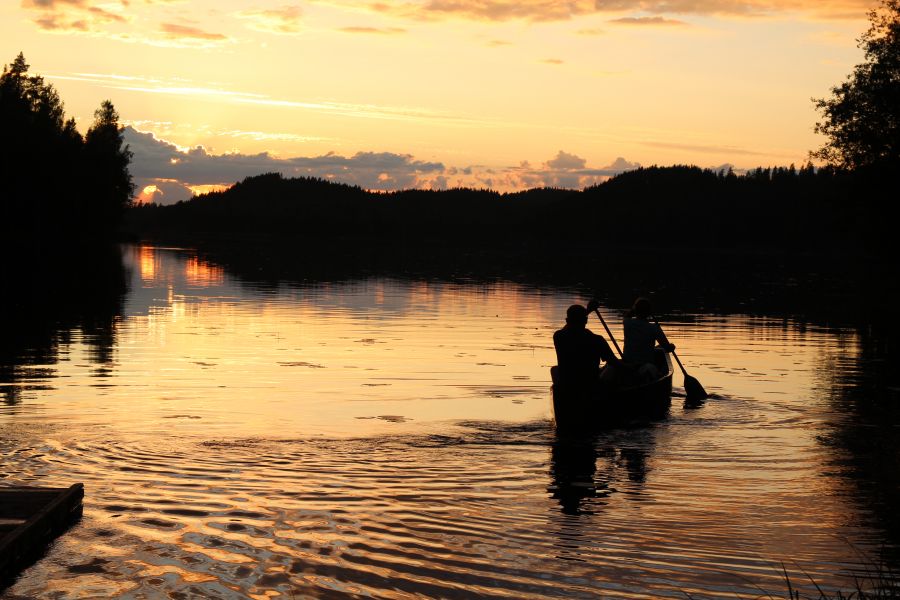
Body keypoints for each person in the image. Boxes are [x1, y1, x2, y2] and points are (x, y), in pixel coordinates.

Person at [553, 302, 618, 387]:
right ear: (586, 320)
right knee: (612, 368)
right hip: (590, 384)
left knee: (554, 369)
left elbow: (568, 327)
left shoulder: (559, 336)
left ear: (567, 320)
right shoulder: (597, 340)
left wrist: (588, 310)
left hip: (567, 382)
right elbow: (614, 363)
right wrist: (632, 368)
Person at [622, 297, 675, 379]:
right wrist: (672, 347)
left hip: (627, 363)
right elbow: (666, 348)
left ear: (635, 310)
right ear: (649, 313)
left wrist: (634, 309)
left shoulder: (627, 322)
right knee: (659, 356)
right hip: (645, 364)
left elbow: (628, 315)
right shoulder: (654, 328)